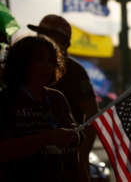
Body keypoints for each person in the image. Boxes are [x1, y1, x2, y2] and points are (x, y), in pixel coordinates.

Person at [27, 14, 98, 181]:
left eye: (49, 35)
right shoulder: (27, 68)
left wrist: (82, 152)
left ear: (64, 42)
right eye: (40, 34)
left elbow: (93, 114)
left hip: (67, 158)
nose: (42, 39)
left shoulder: (75, 72)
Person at [0, 36, 80, 181]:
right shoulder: (6, 99)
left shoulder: (57, 98)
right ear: (21, 62)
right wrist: (47, 138)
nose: (47, 66)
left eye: (51, 61)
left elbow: (74, 152)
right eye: (39, 60)